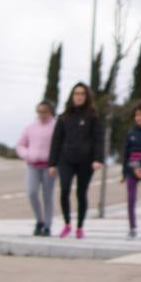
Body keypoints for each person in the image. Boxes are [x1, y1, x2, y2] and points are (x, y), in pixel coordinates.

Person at [50, 82, 105, 239]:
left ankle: (80, 226)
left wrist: (97, 159)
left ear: (86, 96)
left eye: (82, 93)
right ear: (72, 96)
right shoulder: (63, 117)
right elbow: (56, 141)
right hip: (66, 159)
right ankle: (67, 223)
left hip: (86, 161)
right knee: (65, 189)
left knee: (81, 193)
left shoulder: (93, 117)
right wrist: (52, 163)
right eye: (76, 93)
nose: (79, 96)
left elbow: (98, 139)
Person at [16, 101, 57, 236]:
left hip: (49, 166)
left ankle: (47, 224)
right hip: (32, 165)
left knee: (47, 195)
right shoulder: (31, 127)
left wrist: (55, 161)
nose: (42, 115)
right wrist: (27, 155)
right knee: (32, 192)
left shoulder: (56, 126)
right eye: (40, 112)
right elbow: (20, 145)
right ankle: (39, 220)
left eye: (45, 112)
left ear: (50, 112)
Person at [120, 101, 141, 239]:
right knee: (131, 199)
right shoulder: (131, 133)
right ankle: (132, 227)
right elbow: (126, 154)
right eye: (137, 115)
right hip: (131, 171)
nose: (139, 118)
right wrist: (124, 172)